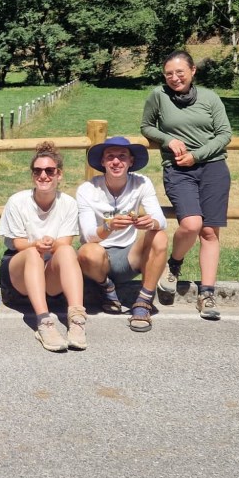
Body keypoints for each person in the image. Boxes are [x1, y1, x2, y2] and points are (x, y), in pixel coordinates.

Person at [141, 50, 232, 321]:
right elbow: (147, 127)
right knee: (191, 224)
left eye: (180, 72)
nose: (174, 78)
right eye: (169, 73)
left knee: (209, 232)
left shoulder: (210, 98)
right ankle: (174, 263)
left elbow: (224, 133)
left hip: (213, 167)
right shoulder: (158, 96)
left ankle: (207, 294)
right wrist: (167, 140)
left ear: (193, 71)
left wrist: (198, 155)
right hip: (178, 169)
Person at [0, 141, 87, 352]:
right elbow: (17, 243)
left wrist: (51, 244)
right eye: (37, 171)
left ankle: (77, 319)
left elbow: (65, 243)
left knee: (67, 251)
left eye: (49, 171)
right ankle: (44, 322)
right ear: (32, 175)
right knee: (32, 253)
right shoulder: (17, 201)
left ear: (59, 174)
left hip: (49, 274)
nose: (43, 175)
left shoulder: (68, 203)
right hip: (19, 271)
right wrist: (35, 244)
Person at [76, 136, 168, 332]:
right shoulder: (87, 189)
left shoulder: (142, 182)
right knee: (87, 251)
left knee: (159, 235)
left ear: (131, 161)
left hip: (129, 256)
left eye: (122, 156)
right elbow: (88, 235)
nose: (116, 162)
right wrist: (108, 227)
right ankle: (106, 287)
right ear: (102, 162)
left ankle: (144, 301)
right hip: (97, 259)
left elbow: (161, 220)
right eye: (110, 157)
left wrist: (150, 222)